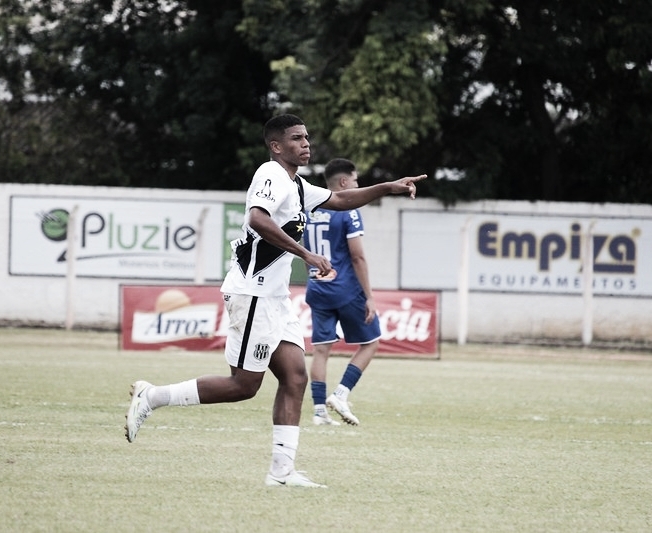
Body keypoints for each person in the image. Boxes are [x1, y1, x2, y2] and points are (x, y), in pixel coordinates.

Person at [124, 114, 426, 488]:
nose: (306, 143)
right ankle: (152, 396)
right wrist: (306, 254)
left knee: (295, 376)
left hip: (274, 297)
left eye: (307, 137)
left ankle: (281, 473)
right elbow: (257, 219)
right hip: (253, 292)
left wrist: (389, 187)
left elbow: (343, 198)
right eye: (297, 138)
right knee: (243, 386)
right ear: (276, 146)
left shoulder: (298, 186)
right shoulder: (270, 175)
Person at [304, 158, 378, 427]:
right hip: (345, 289)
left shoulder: (310, 208)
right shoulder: (349, 210)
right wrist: (369, 296)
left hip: (317, 288)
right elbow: (358, 257)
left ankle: (319, 412)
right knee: (370, 343)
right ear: (344, 183)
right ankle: (341, 394)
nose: (358, 186)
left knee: (320, 351)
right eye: (356, 181)